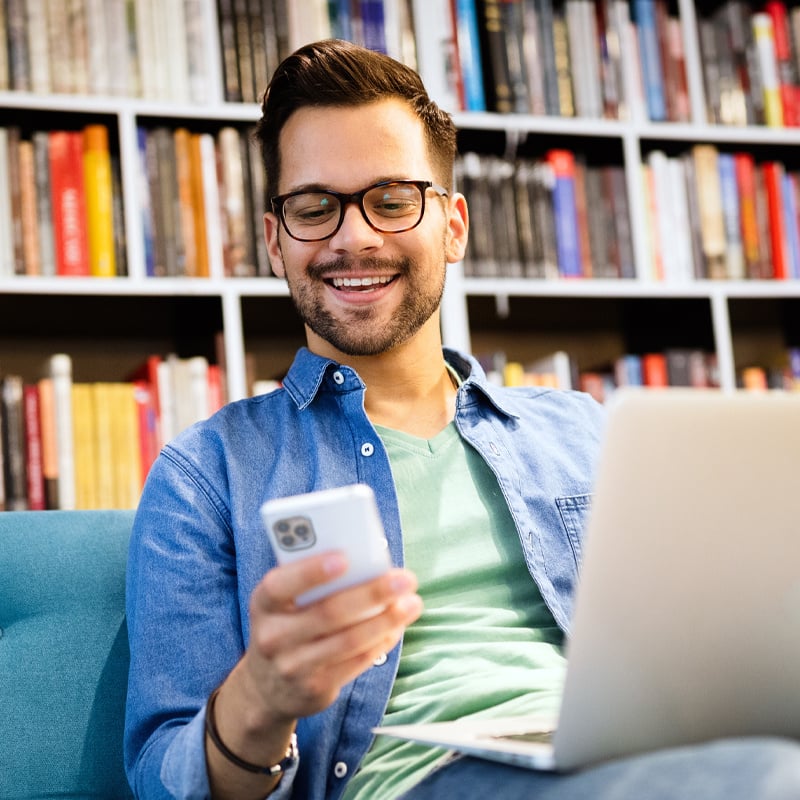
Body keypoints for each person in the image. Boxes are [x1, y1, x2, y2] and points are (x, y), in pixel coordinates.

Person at [124, 39, 800, 800]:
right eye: (315, 208)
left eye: (391, 200)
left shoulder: (583, 429)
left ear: (453, 226)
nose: (355, 237)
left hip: (639, 762)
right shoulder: (207, 474)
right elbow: (162, 780)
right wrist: (262, 699)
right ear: (277, 241)